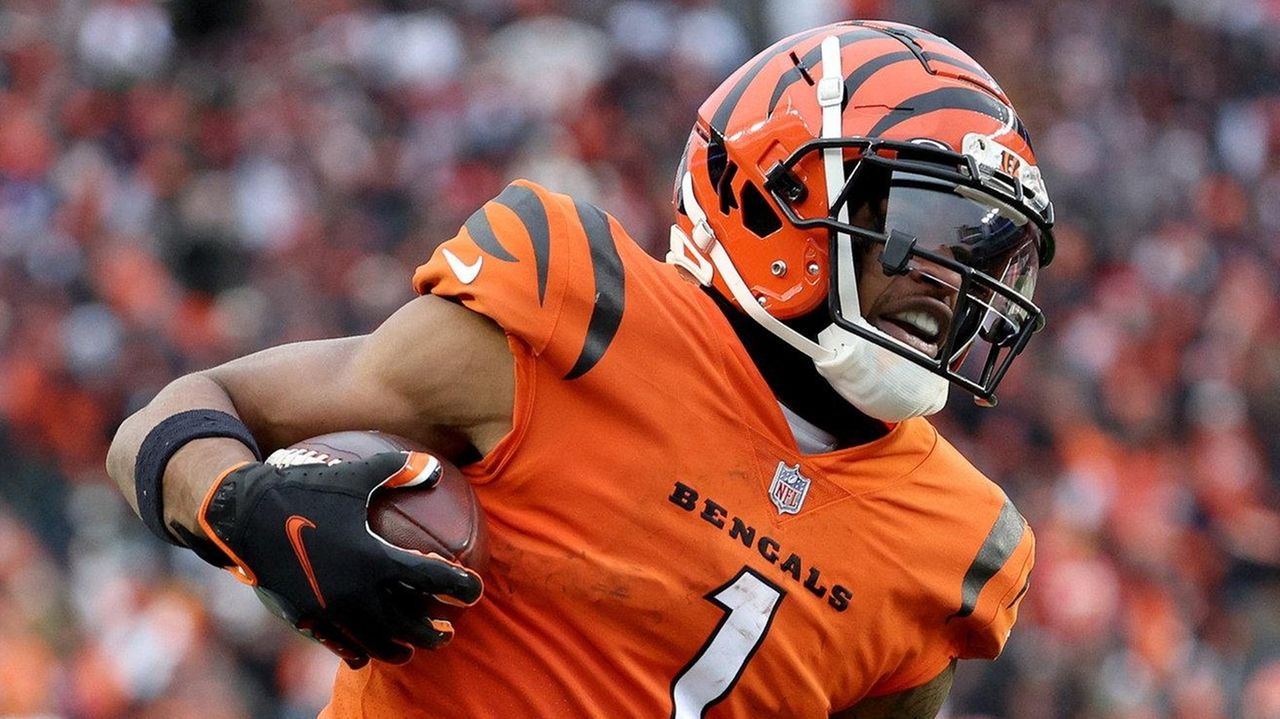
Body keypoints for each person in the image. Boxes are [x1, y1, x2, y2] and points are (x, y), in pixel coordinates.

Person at [106, 20, 1053, 718]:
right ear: (773, 200)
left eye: (986, 248)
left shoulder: (953, 545)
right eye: (927, 229)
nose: (953, 281)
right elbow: (177, 413)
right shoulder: (579, 310)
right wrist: (245, 509)